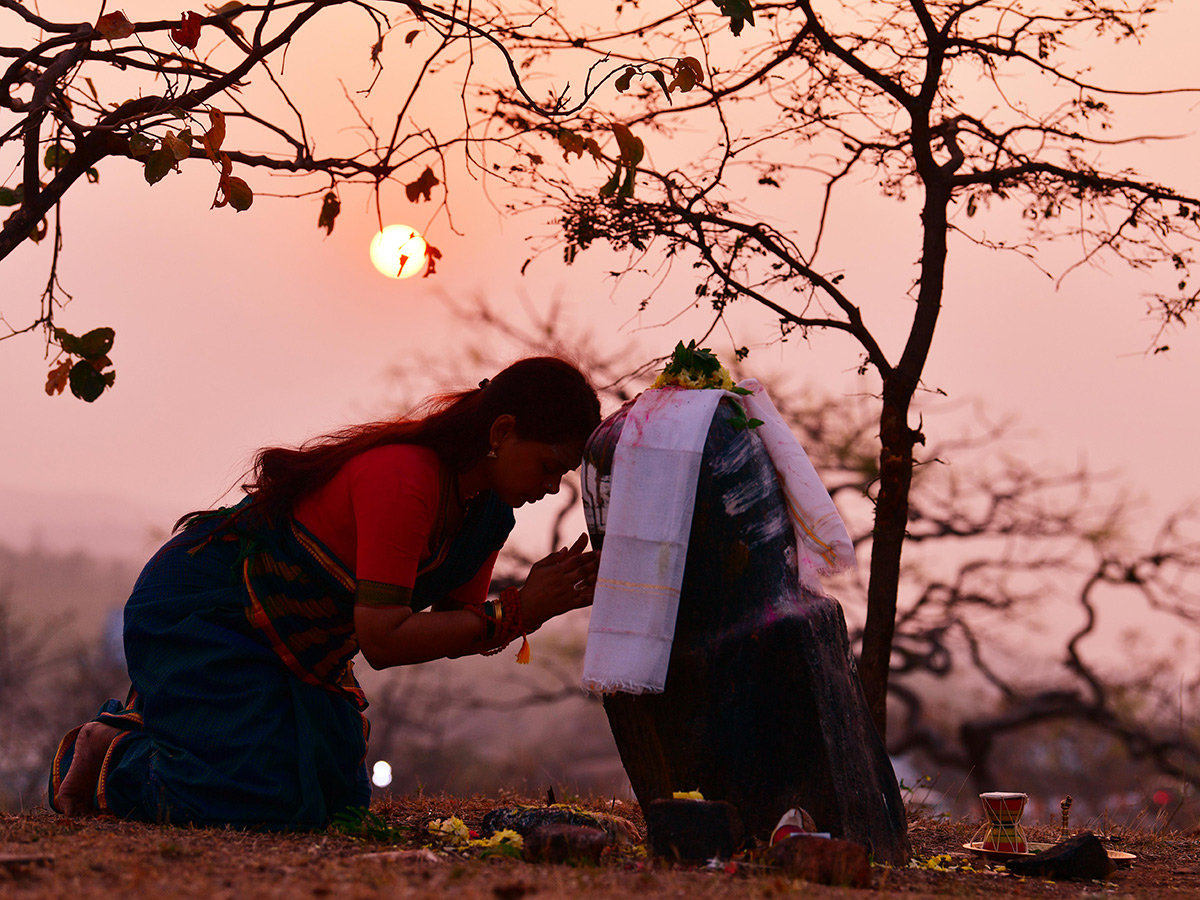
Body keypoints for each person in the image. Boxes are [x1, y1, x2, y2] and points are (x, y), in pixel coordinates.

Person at [48, 356, 602, 828]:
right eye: (549, 467)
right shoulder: (407, 478)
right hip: (210, 606)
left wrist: (526, 611)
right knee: (246, 801)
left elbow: (456, 629)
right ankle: (111, 749)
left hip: (302, 641)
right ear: (502, 432)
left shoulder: (488, 517)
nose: (553, 487)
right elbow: (385, 642)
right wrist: (517, 609)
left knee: (333, 801)